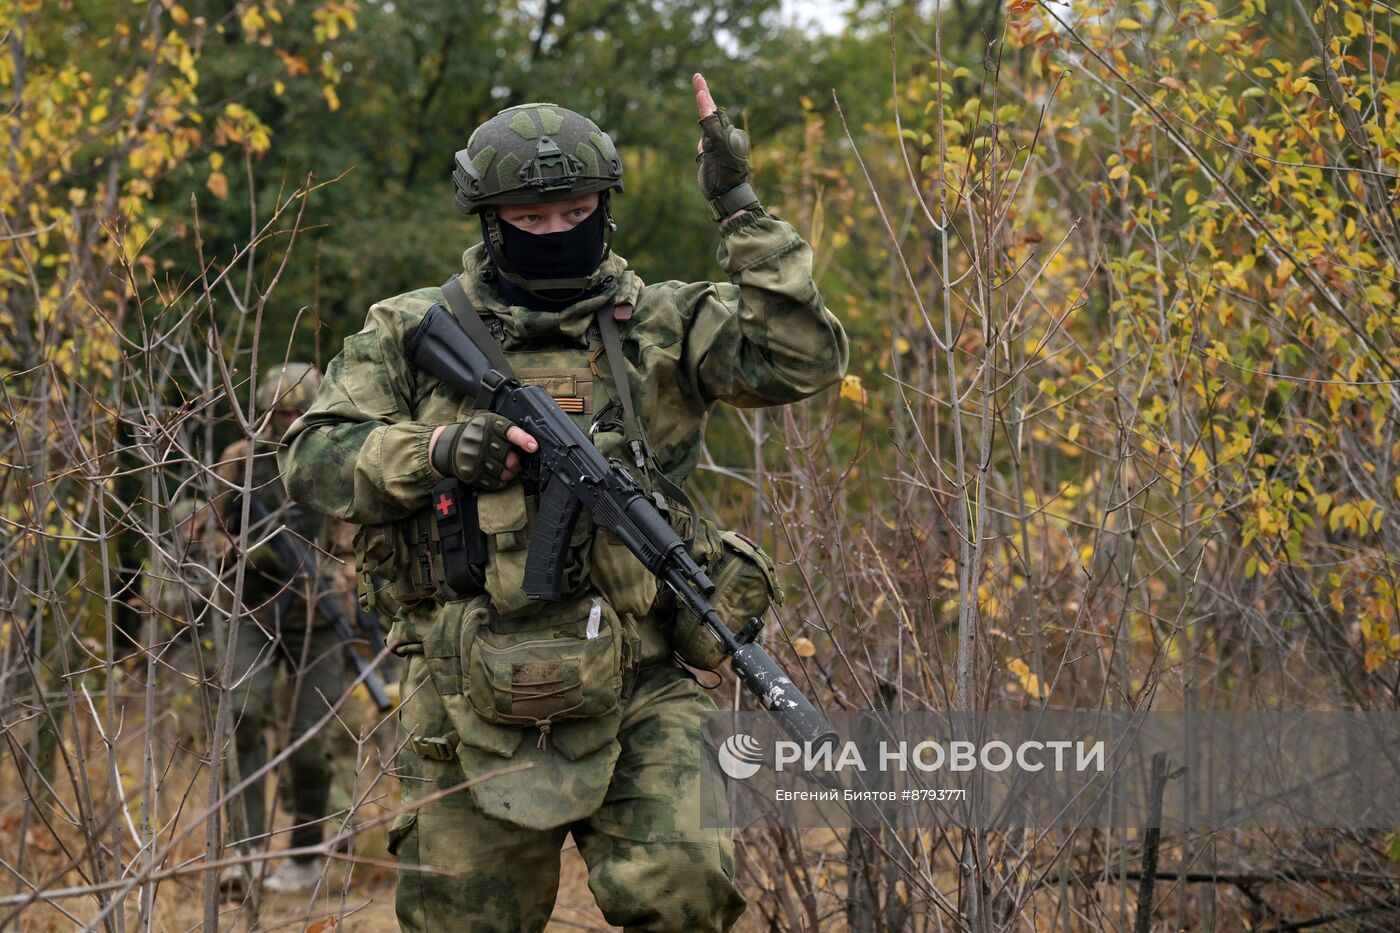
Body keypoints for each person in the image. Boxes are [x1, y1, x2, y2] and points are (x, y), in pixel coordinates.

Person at [281, 74, 848, 931]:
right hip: (464, 690)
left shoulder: (662, 321)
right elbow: (313, 459)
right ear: (489, 220)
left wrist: (738, 206)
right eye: (531, 220)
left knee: (686, 890)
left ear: (604, 207)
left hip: (641, 679)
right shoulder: (410, 329)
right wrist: (437, 451)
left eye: (576, 212)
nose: (556, 232)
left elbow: (803, 356)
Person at [213, 363, 357, 898]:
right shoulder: (242, 461)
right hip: (250, 610)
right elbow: (208, 532)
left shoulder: (338, 460)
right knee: (243, 715)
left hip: (317, 620)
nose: (289, 422)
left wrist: (330, 575)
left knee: (306, 742)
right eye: (281, 413)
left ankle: (305, 852)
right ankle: (244, 857)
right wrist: (249, 557)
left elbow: (359, 544)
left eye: (299, 412)